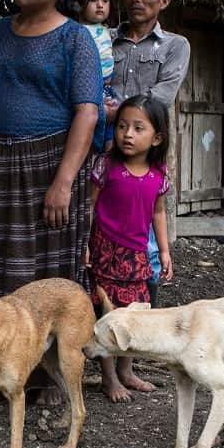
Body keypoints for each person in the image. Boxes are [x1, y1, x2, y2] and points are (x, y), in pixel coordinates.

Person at [0, 0, 102, 402]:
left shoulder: (74, 39)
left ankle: (45, 375)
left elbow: (87, 113)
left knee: (45, 272)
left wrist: (63, 182)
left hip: (47, 168)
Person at [109, 0, 190, 308]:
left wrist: (113, 112)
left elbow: (160, 99)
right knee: (103, 226)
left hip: (146, 161)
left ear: (164, 0)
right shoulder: (103, 39)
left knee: (147, 241)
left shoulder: (175, 46)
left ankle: (147, 316)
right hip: (103, 153)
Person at [87, 95, 174, 402]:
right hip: (105, 252)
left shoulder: (159, 174)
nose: (127, 134)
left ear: (157, 137)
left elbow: (158, 213)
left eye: (139, 128)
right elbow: (90, 206)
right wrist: (85, 245)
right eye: (122, 126)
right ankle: (108, 378)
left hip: (137, 255)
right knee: (107, 315)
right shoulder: (105, 166)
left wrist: (164, 251)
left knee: (133, 316)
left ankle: (127, 371)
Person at [75, 0, 118, 152]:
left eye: (105, 0)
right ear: (80, 4)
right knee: (91, 130)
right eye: (93, 0)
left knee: (111, 131)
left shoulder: (108, 30)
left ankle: (106, 165)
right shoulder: (77, 30)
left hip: (107, 89)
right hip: (88, 90)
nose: (100, 5)